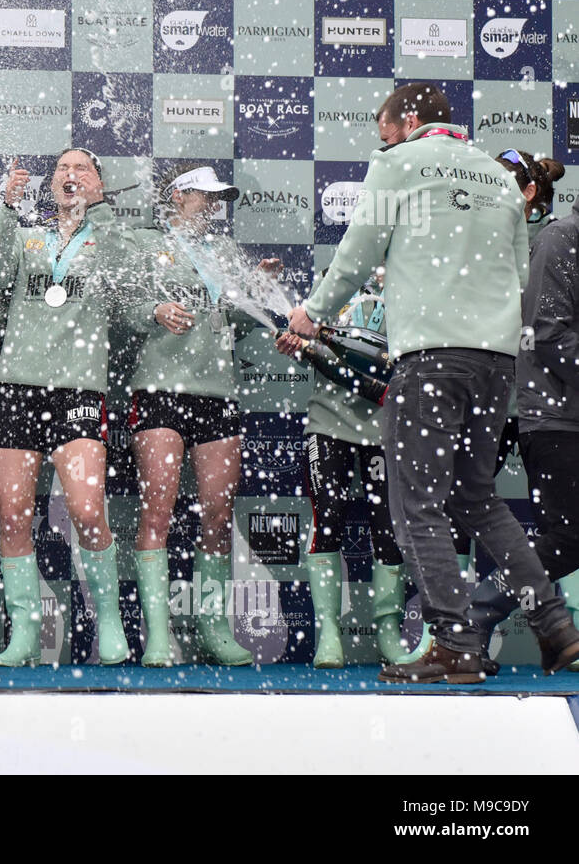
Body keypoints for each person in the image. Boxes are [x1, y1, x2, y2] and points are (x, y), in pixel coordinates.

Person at [288, 81, 579, 681]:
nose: (383, 139)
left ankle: (454, 642)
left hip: (431, 358)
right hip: (497, 362)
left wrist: (312, 314)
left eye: (385, 128)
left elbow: (359, 250)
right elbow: (519, 274)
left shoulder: (399, 164)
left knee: (416, 503)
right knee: (474, 498)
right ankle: (555, 626)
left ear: (410, 120)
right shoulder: (496, 176)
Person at [121, 164, 276, 667]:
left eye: (218, 199)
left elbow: (231, 322)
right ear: (179, 197)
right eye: (205, 197)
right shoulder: (145, 245)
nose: (213, 206)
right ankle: (158, 634)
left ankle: (212, 626)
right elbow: (119, 309)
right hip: (160, 387)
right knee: (158, 512)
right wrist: (154, 311)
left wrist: (252, 293)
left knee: (216, 513)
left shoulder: (225, 252)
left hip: (217, 389)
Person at [0, 148, 129, 667]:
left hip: (79, 388)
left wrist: (99, 211)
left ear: (99, 183)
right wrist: (4, 209)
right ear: (48, 185)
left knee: (88, 509)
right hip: (17, 386)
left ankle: (108, 621)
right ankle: (24, 632)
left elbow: (127, 285)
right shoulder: (28, 236)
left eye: (81, 169)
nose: (69, 176)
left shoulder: (110, 237)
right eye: (61, 170)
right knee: (14, 515)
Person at [465, 151, 579, 671]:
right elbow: (550, 335)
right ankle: (477, 613)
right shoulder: (561, 239)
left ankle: (547, 637)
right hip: (556, 418)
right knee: (566, 537)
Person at [277, 273, 415, 668]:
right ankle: (329, 634)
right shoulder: (332, 283)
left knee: (388, 530)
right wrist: (299, 346)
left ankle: (387, 632)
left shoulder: (413, 281)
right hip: (327, 422)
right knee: (328, 521)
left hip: (385, 429)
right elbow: (313, 342)